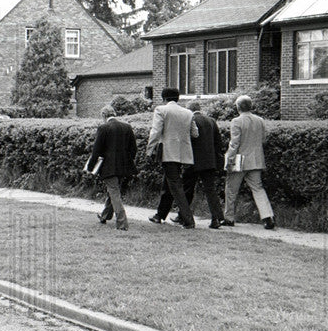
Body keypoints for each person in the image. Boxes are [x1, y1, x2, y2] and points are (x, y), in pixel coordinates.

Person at [147, 88, 198, 229]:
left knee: (175, 185)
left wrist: (149, 149)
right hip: (184, 153)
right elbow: (195, 134)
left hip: (169, 152)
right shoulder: (188, 113)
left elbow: (156, 131)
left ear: (164, 98)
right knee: (168, 183)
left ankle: (188, 220)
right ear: (178, 98)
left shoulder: (161, 110)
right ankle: (160, 215)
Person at [222, 95, 276, 229]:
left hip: (239, 161)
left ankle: (229, 218)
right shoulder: (260, 120)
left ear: (238, 107)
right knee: (258, 189)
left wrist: (229, 160)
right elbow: (263, 139)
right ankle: (268, 218)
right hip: (256, 160)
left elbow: (234, 144)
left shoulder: (236, 121)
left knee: (231, 189)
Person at [169, 108, 225, 229]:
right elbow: (218, 142)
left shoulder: (189, 119)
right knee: (210, 189)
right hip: (209, 160)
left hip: (192, 160)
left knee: (187, 189)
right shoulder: (211, 121)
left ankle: (183, 215)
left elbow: (186, 139)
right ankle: (217, 218)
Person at [85, 104, 137, 231]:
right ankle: (105, 215)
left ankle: (122, 223)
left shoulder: (103, 128)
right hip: (124, 167)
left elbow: (96, 151)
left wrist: (90, 167)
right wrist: (128, 161)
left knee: (114, 192)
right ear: (114, 113)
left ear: (103, 115)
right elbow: (133, 149)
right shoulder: (127, 127)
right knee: (113, 190)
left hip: (109, 166)